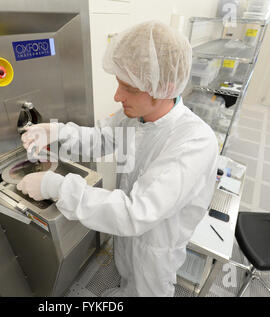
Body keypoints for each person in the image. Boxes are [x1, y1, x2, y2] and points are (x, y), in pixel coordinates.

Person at [16, 21, 219, 297]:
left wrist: (57, 187)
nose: (117, 96)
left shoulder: (194, 142)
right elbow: (100, 138)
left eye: (130, 89)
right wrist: (56, 131)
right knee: (127, 278)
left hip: (156, 250)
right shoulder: (136, 117)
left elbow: (136, 212)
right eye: (119, 84)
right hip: (127, 239)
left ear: (165, 86)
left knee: (146, 290)